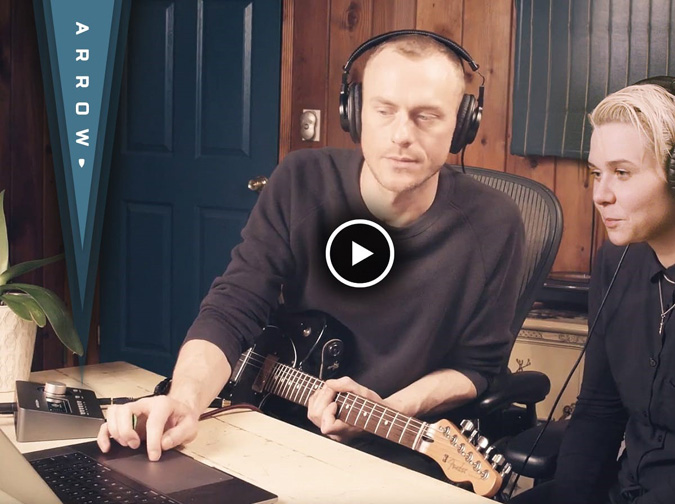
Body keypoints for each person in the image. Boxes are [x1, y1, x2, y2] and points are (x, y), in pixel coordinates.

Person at [97, 31, 524, 478]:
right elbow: (233, 306)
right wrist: (184, 400)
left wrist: (386, 411)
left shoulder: (495, 223)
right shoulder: (301, 180)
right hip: (273, 421)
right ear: (354, 113)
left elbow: (478, 368)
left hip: (396, 444)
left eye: (427, 116)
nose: (402, 135)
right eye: (384, 110)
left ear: (462, 124)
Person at [510, 79, 675, 504]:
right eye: (596, 173)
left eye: (622, 173)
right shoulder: (615, 261)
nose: (600, 195)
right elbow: (598, 409)